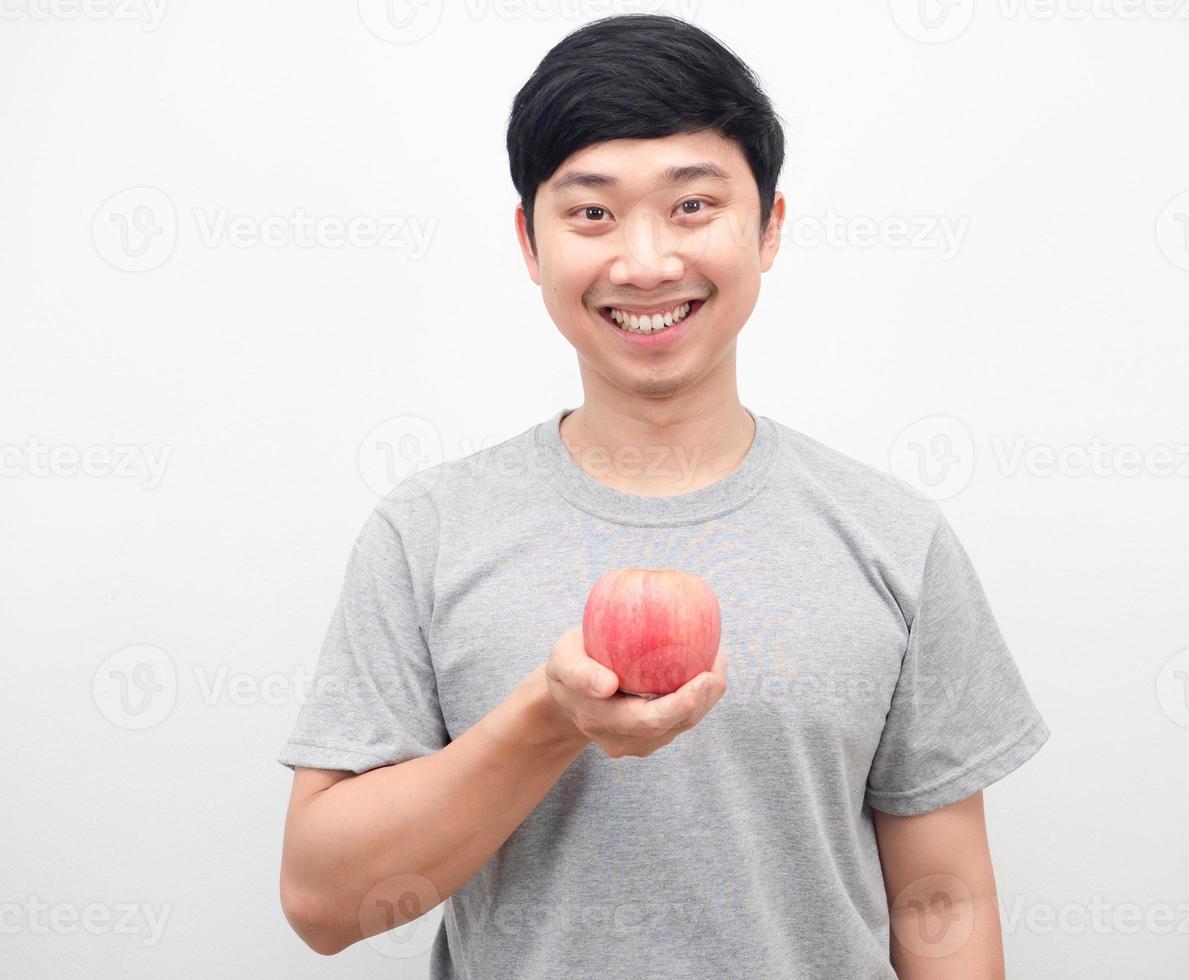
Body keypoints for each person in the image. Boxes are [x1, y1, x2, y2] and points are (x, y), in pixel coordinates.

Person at [276, 13, 1050, 978]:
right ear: (529, 241)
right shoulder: (426, 532)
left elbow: (943, 898)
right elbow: (322, 905)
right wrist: (547, 721)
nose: (644, 263)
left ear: (767, 226)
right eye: (590, 213)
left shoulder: (894, 538)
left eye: (692, 206)